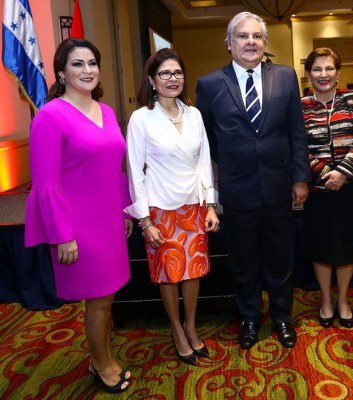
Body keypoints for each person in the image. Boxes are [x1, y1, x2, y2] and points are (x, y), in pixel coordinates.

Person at [196, 11, 311, 349]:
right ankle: (249, 317)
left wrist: (301, 179)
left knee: (280, 257)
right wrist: (230, 163)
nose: (250, 42)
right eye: (243, 36)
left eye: (256, 36)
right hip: (237, 189)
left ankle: (281, 316)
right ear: (229, 44)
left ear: (264, 42)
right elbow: (206, 139)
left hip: (279, 186)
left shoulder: (287, 77)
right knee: (244, 260)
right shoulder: (210, 84)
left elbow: (296, 133)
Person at [24, 38, 132, 393]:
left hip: (110, 221)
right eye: (77, 64)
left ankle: (102, 356)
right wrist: (61, 234)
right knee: (98, 299)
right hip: (79, 226)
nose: (87, 70)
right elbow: (45, 183)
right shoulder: (49, 116)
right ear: (61, 72)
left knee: (109, 295)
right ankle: (101, 365)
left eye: (92, 63)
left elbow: (115, 170)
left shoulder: (108, 111)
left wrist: (124, 210)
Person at [125, 48, 219, 366]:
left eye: (177, 72)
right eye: (164, 73)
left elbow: (204, 161)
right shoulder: (141, 118)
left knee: (193, 272)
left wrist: (210, 205)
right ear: (152, 80)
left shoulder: (193, 114)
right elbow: (135, 170)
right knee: (169, 274)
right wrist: (144, 220)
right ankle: (176, 330)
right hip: (160, 210)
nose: (172, 78)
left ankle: (191, 327)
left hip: (194, 205)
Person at [301, 48, 353, 328]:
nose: (323, 74)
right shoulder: (301, 105)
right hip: (318, 190)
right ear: (309, 74)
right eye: (317, 69)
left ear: (338, 72)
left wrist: (342, 172)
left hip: (350, 186)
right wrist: (323, 173)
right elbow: (297, 146)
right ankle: (325, 301)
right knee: (321, 246)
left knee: (347, 245)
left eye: (329, 68)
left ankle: (342, 299)